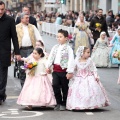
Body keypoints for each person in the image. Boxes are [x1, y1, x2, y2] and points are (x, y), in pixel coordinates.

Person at [66, 46, 110, 110]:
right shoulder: (76, 61)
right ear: (82, 53)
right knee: (80, 92)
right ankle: (80, 104)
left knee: (91, 91)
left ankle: (91, 104)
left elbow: (93, 69)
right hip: (79, 78)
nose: (89, 54)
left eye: (89, 52)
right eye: (87, 52)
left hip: (89, 77)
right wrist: (70, 74)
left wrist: (96, 76)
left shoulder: (90, 61)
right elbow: (73, 69)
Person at [46, 29, 74, 111]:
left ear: (66, 38)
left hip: (64, 71)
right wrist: (48, 66)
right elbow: (51, 57)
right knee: (55, 85)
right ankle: (58, 102)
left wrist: (69, 71)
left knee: (65, 88)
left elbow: (71, 60)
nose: (58, 38)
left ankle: (64, 103)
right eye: (57, 37)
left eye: (60, 37)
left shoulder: (68, 48)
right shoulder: (55, 47)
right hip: (56, 70)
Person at [0, 1, 21, 105]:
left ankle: (1, 95)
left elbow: (14, 37)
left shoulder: (10, 20)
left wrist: (17, 53)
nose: (0, 11)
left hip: (4, 52)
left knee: (2, 75)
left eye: (2, 9)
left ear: (5, 9)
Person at [16, 12, 43, 87]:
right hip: (21, 51)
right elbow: (13, 40)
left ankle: (31, 87)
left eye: (28, 18)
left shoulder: (32, 27)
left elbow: (38, 37)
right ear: (21, 19)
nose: (28, 19)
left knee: (32, 68)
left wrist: (42, 47)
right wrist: (14, 52)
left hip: (32, 51)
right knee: (22, 69)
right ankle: (23, 87)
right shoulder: (16, 27)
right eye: (26, 18)